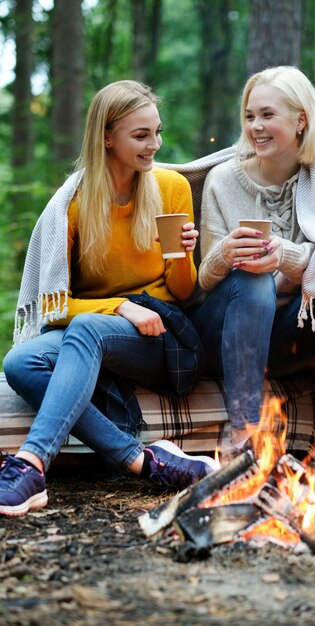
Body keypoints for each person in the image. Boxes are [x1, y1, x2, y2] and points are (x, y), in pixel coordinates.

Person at [0, 80, 216, 517]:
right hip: (101, 328)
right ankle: (144, 460)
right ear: (106, 136)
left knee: (87, 328)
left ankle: (31, 463)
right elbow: (54, 306)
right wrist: (118, 306)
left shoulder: (171, 188)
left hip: (162, 334)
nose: (154, 144)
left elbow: (183, 293)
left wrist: (182, 256)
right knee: (20, 363)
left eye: (156, 132)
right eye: (141, 135)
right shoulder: (72, 205)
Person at [188, 66, 315, 497]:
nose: (255, 127)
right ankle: (246, 436)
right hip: (225, 333)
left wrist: (282, 254)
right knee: (253, 280)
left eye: (267, 115)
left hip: (292, 336)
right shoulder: (222, 181)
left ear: (301, 119)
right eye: (249, 116)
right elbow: (199, 286)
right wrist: (225, 254)